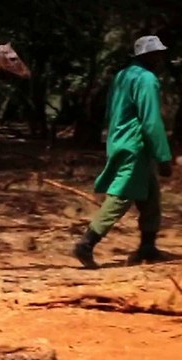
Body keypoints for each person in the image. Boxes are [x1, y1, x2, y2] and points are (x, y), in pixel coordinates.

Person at [73, 35, 174, 269]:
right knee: (121, 196)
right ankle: (86, 243)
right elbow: (150, 121)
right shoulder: (146, 79)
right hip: (136, 145)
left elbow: (111, 110)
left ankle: (147, 247)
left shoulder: (122, 75)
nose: (160, 57)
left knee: (150, 197)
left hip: (119, 140)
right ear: (146, 55)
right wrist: (164, 156)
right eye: (156, 53)